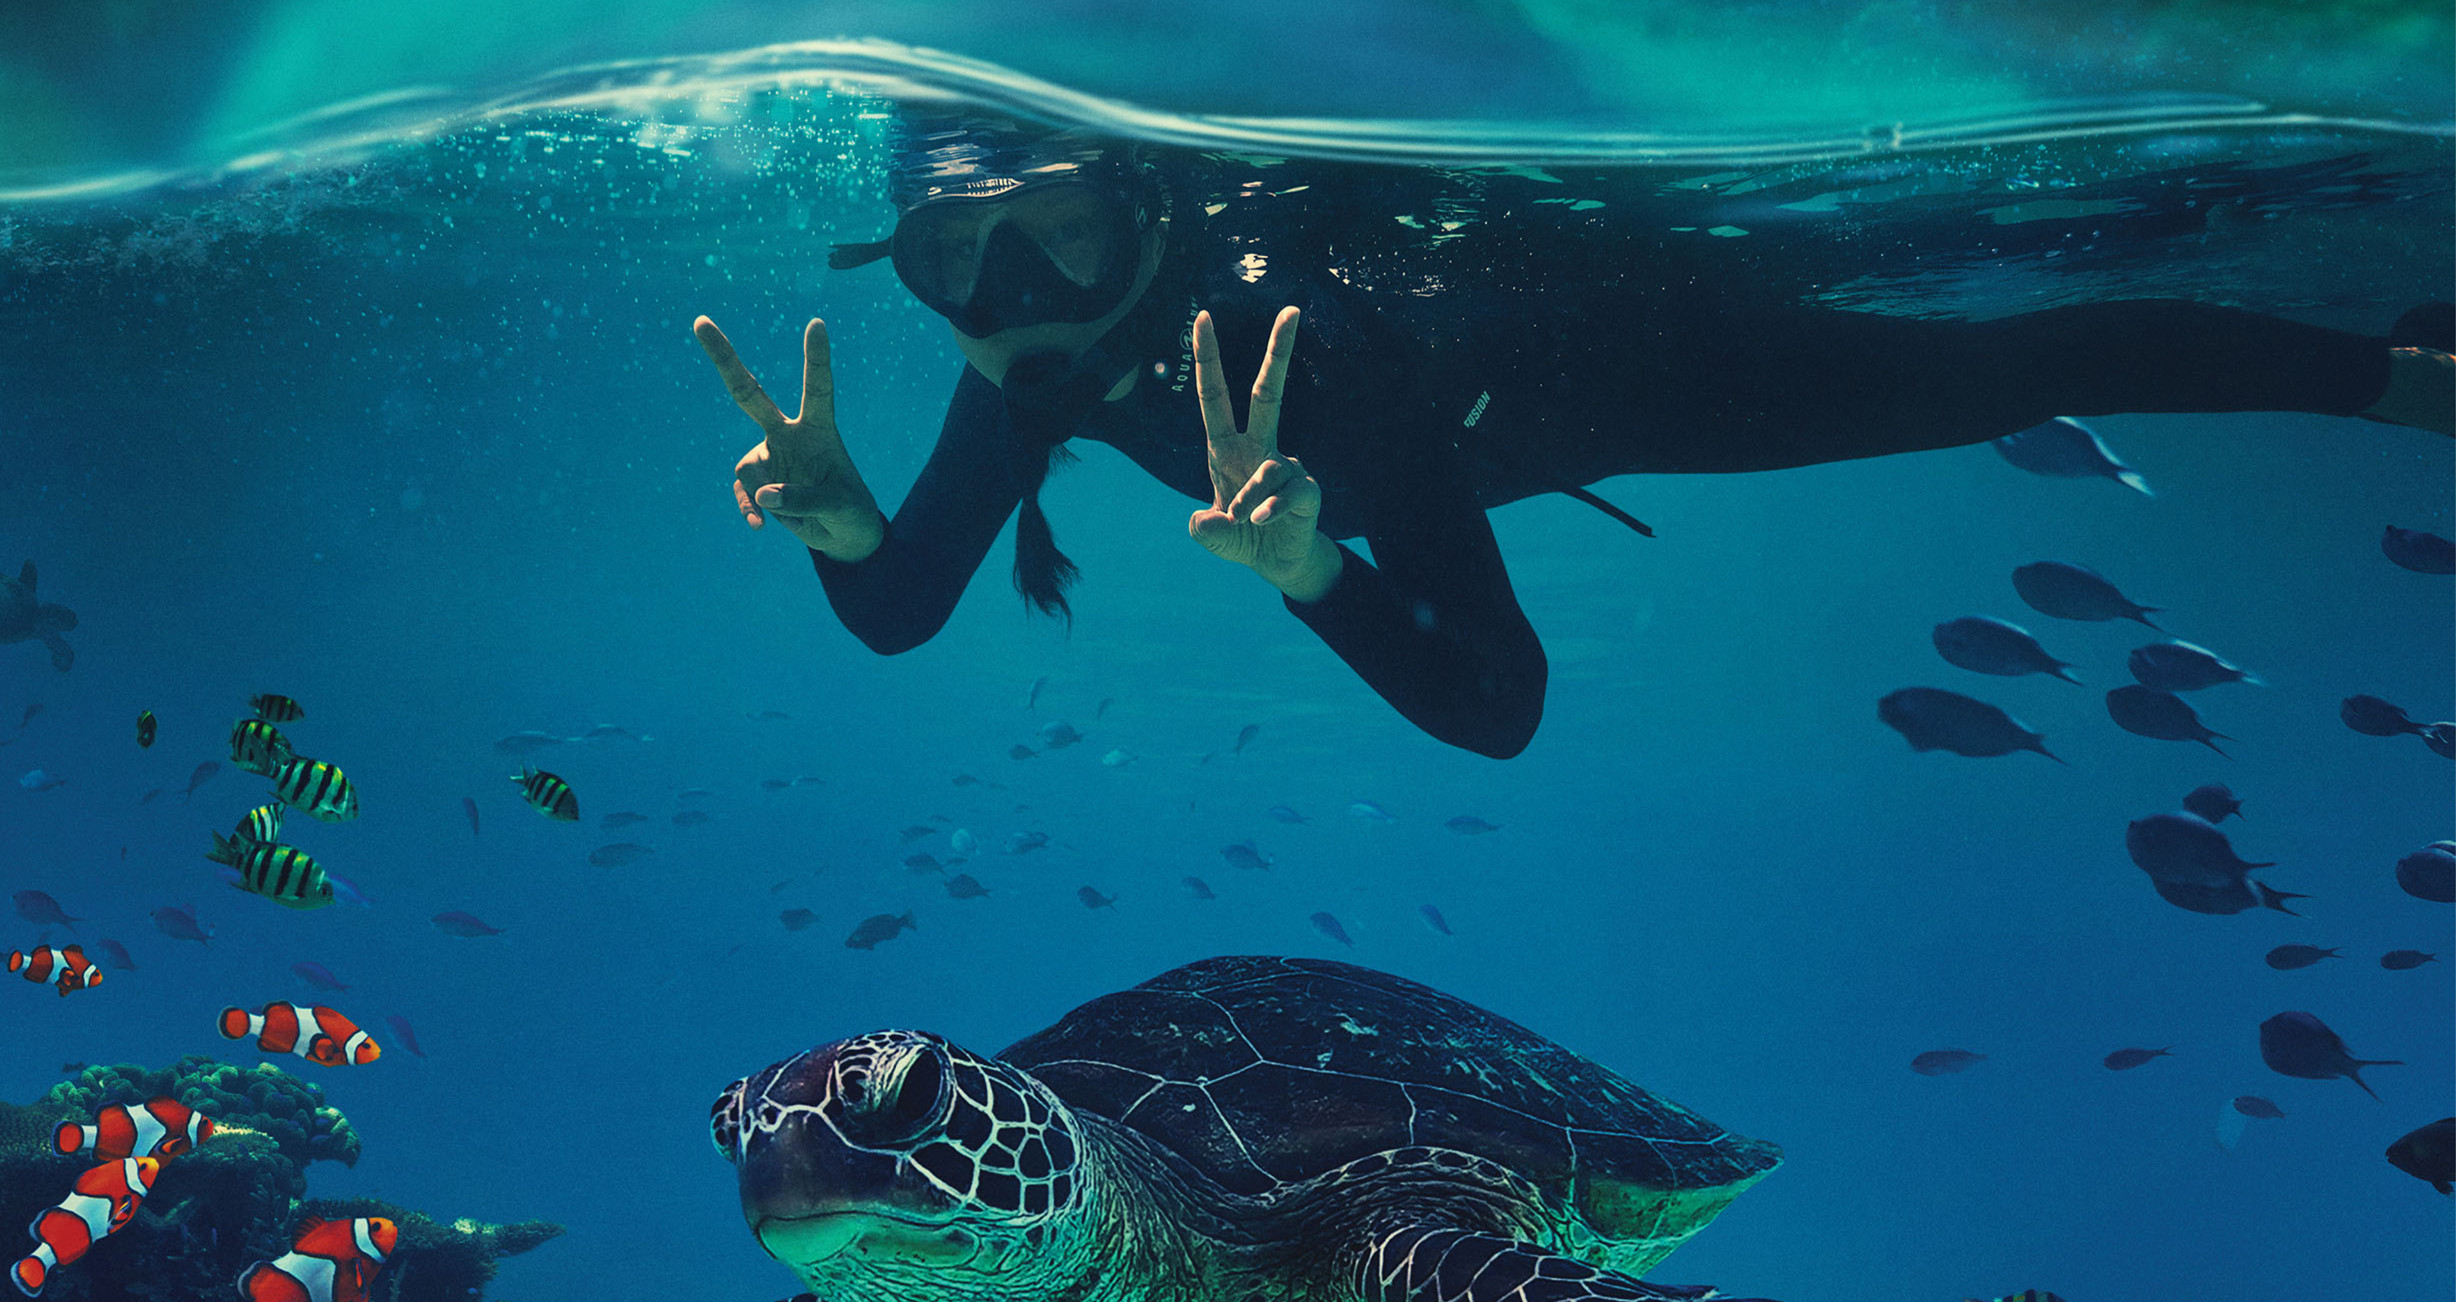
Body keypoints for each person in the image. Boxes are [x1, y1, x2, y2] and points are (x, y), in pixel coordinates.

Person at [695, 113, 2454, 759]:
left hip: (1665, 343)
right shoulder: (1027, 365)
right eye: (952, 260)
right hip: (1503, 414)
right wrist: (849, 531)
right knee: (2009, 327)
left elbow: (1501, 702)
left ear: (1145, 207)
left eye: (1052, 232)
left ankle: (2398, 369)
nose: (1011, 288)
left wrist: (1318, 574)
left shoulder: (1292, 322)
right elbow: (909, 600)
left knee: (2011, 345)